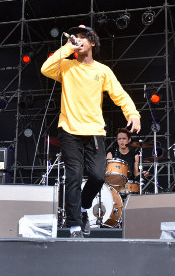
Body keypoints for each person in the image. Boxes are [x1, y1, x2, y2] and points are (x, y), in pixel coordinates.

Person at [41, 25, 140, 238]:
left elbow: (120, 95)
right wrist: (69, 46)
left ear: (92, 43)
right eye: (74, 37)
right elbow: (45, 68)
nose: (78, 40)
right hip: (69, 130)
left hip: (94, 131)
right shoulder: (66, 66)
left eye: (82, 37)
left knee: (97, 176)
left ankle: (84, 208)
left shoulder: (102, 71)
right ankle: (74, 226)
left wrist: (133, 114)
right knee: (74, 176)